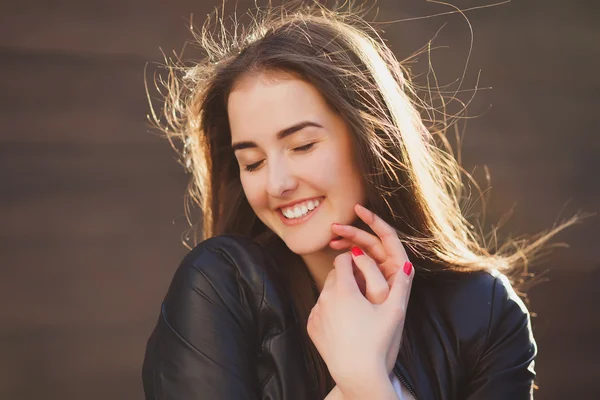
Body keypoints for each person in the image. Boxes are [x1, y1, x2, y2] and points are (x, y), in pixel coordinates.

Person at [141, 3, 579, 399]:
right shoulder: (219, 287)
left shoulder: (486, 314)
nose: (276, 184)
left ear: (371, 136)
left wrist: (366, 383)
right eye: (252, 162)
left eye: (302, 146)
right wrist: (361, 381)